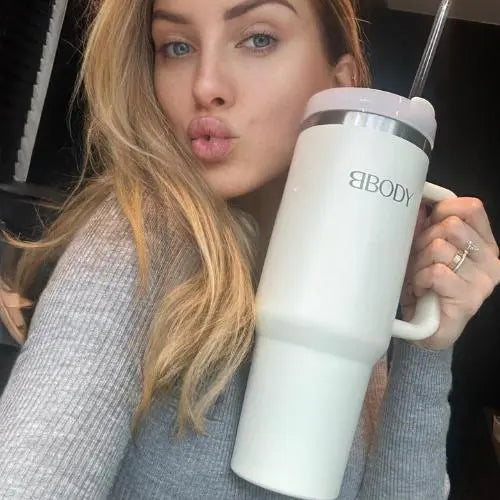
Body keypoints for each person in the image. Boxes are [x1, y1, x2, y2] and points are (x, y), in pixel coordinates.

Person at [0, 0, 499, 498]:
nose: (205, 86)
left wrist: (427, 340)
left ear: (340, 84)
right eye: (177, 47)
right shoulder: (136, 242)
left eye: (258, 39)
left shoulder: (338, 274)